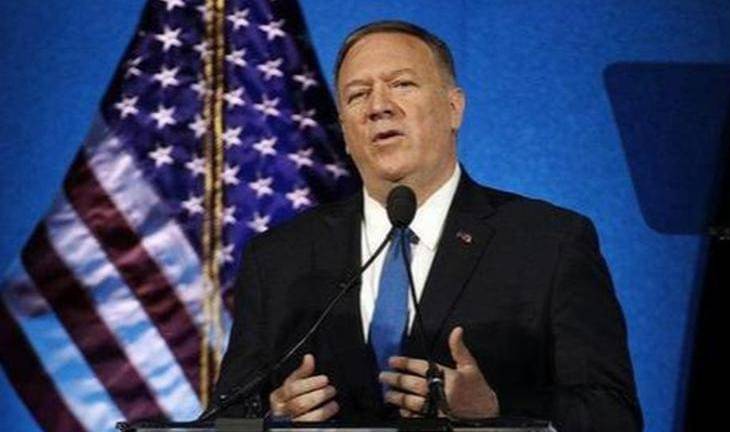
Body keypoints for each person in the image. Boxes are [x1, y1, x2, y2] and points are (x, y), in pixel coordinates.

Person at [212, 20, 643, 431]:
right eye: (358, 94)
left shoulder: (548, 243)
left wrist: (495, 409)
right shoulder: (279, 258)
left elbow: (611, 414)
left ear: (454, 108)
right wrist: (272, 416)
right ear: (344, 131)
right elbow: (225, 416)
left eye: (402, 84)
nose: (379, 106)